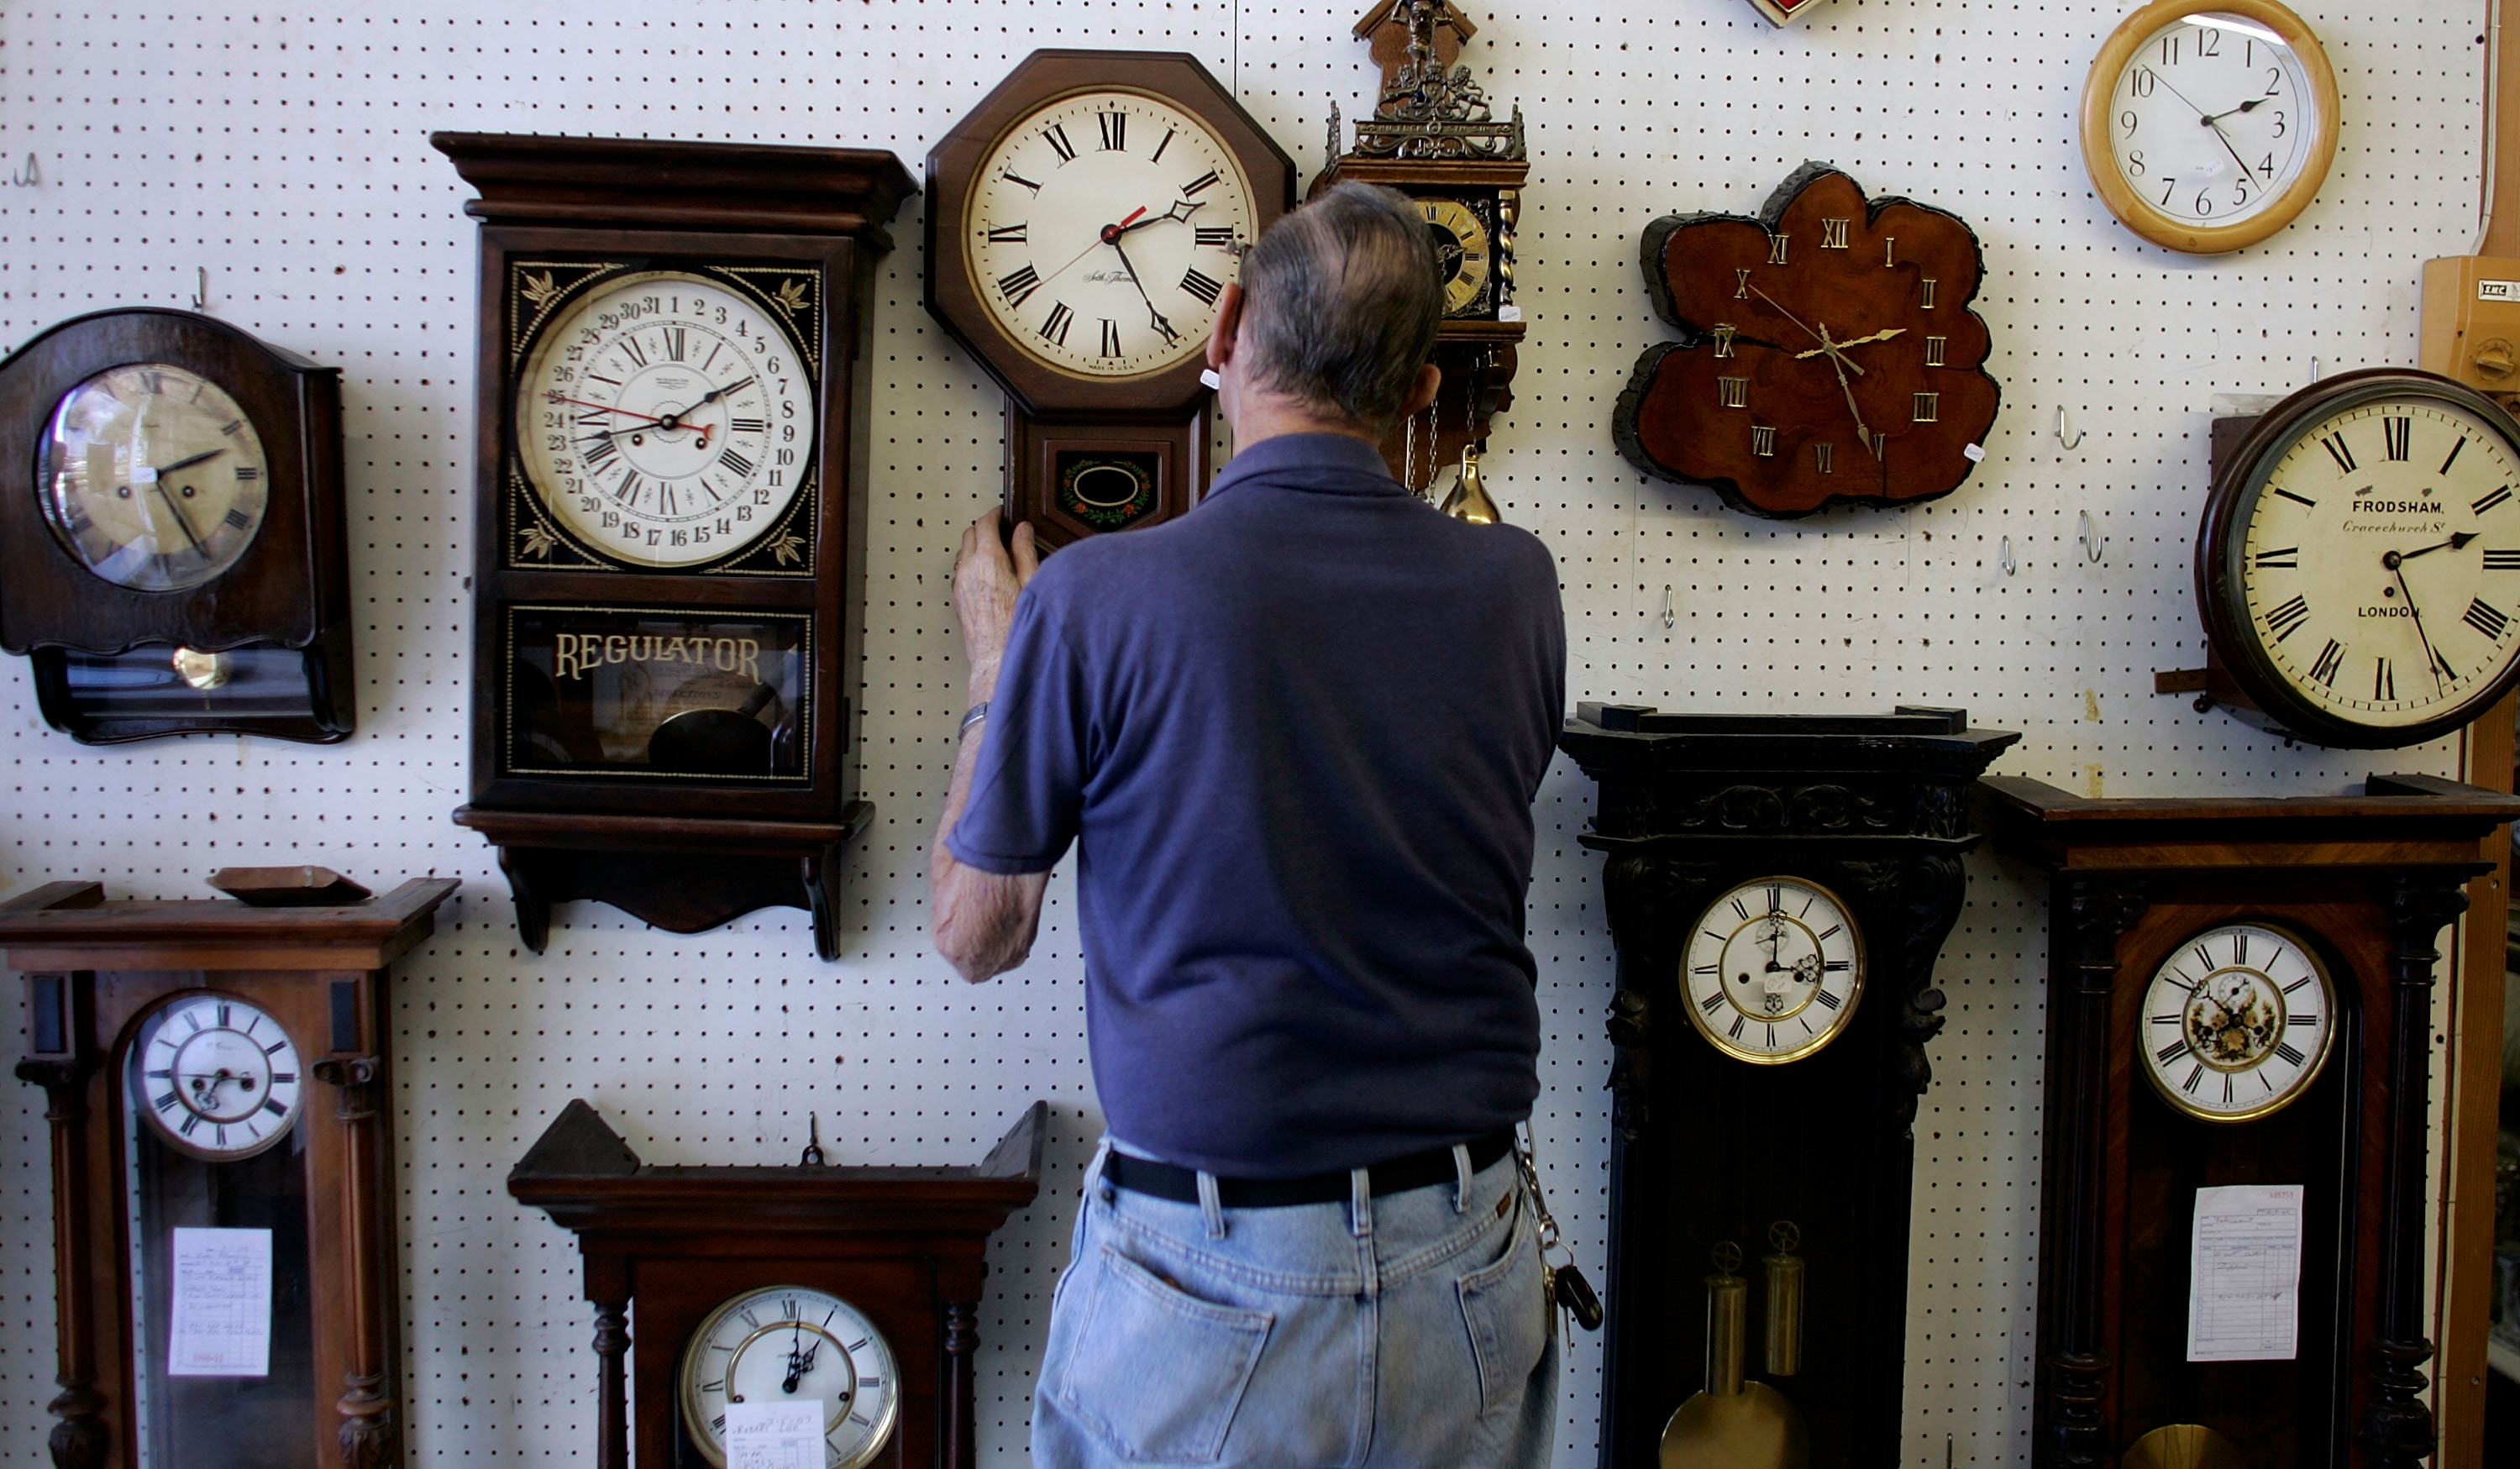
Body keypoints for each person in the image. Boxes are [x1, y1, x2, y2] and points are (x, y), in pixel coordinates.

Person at [927, 181, 1567, 1469]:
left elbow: (976, 933)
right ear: (1420, 393)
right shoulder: (1515, 584)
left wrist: (999, 667)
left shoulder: (1092, 599)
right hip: (1469, 1254)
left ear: (1222, 331)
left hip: (1210, 1275)